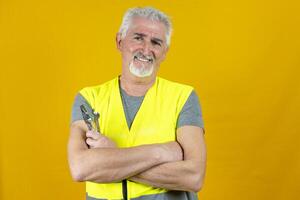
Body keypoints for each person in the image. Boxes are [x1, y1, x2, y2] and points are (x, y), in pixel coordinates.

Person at [67, 7, 206, 200]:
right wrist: (162, 152)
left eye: (156, 42)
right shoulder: (89, 98)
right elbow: (80, 168)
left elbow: (193, 176)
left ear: (164, 52)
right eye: (138, 38)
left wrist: (111, 157)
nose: (146, 49)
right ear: (119, 41)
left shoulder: (183, 97)